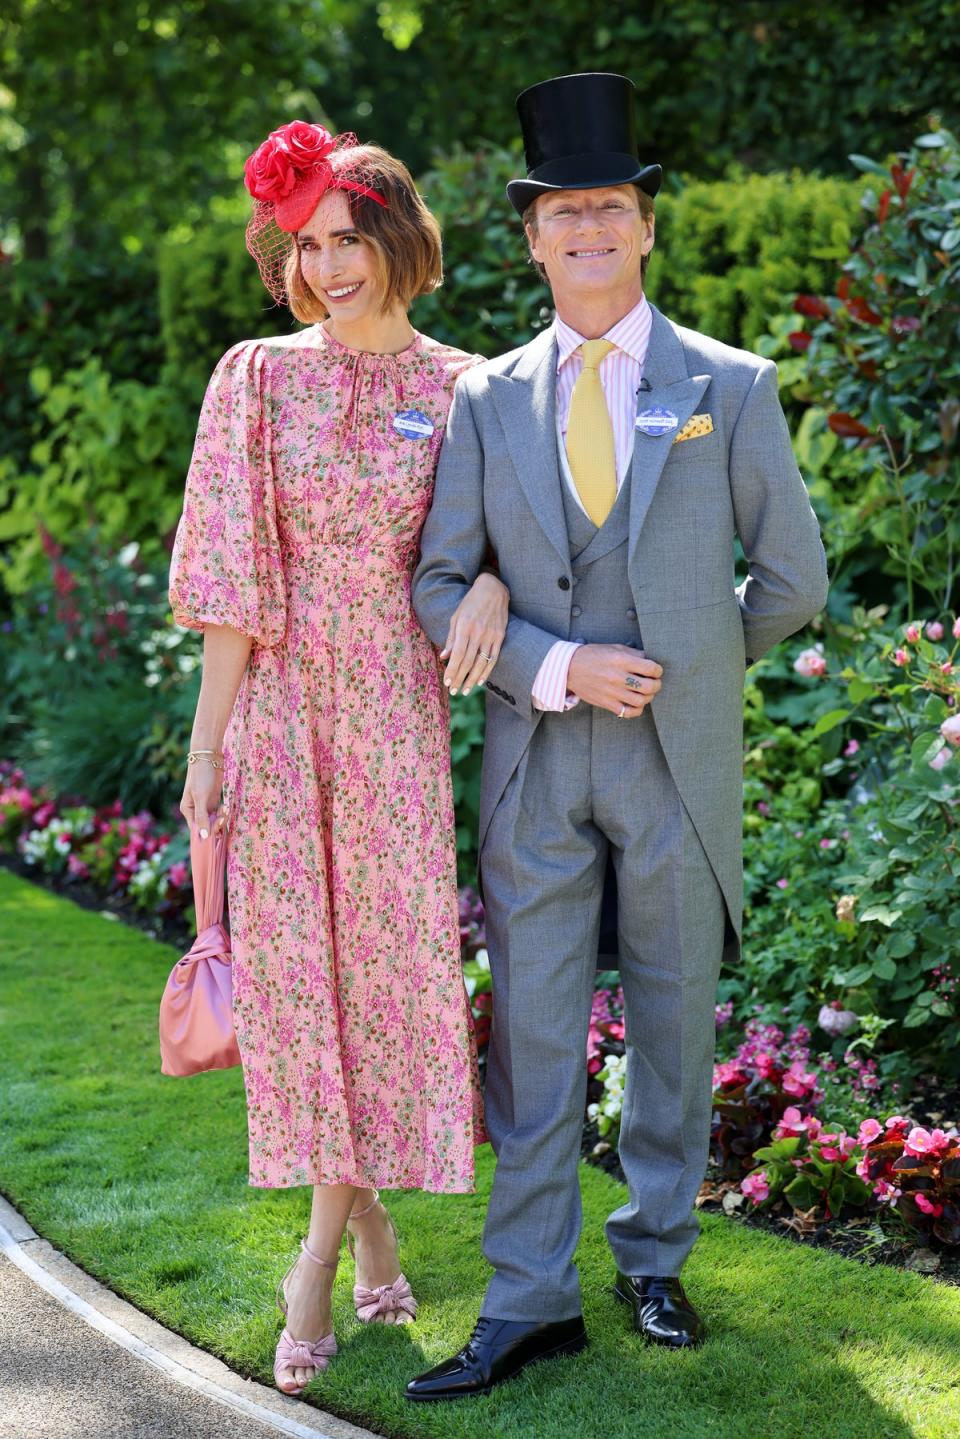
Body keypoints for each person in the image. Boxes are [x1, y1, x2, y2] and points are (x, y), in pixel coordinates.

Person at [408, 72, 829, 1400]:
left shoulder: (730, 386)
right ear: (532, 237)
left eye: (611, 207)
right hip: (536, 765)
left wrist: (691, 671)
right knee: (531, 1040)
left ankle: (654, 1256)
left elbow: (795, 581)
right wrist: (552, 663)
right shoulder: (485, 401)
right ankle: (530, 1295)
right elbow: (436, 581)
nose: (589, 230)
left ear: (645, 225)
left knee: (670, 1027)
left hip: (671, 768)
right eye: (563, 212)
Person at [168, 121, 507, 1396]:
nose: (328, 268)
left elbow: (509, 548)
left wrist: (481, 589)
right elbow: (229, 577)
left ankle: (333, 1247)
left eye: (348, 240)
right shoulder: (254, 378)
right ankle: (347, 1238)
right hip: (279, 714)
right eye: (307, 247)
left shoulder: (472, 388)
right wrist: (210, 745)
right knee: (305, 990)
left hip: (397, 728)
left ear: (398, 241)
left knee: (384, 982)